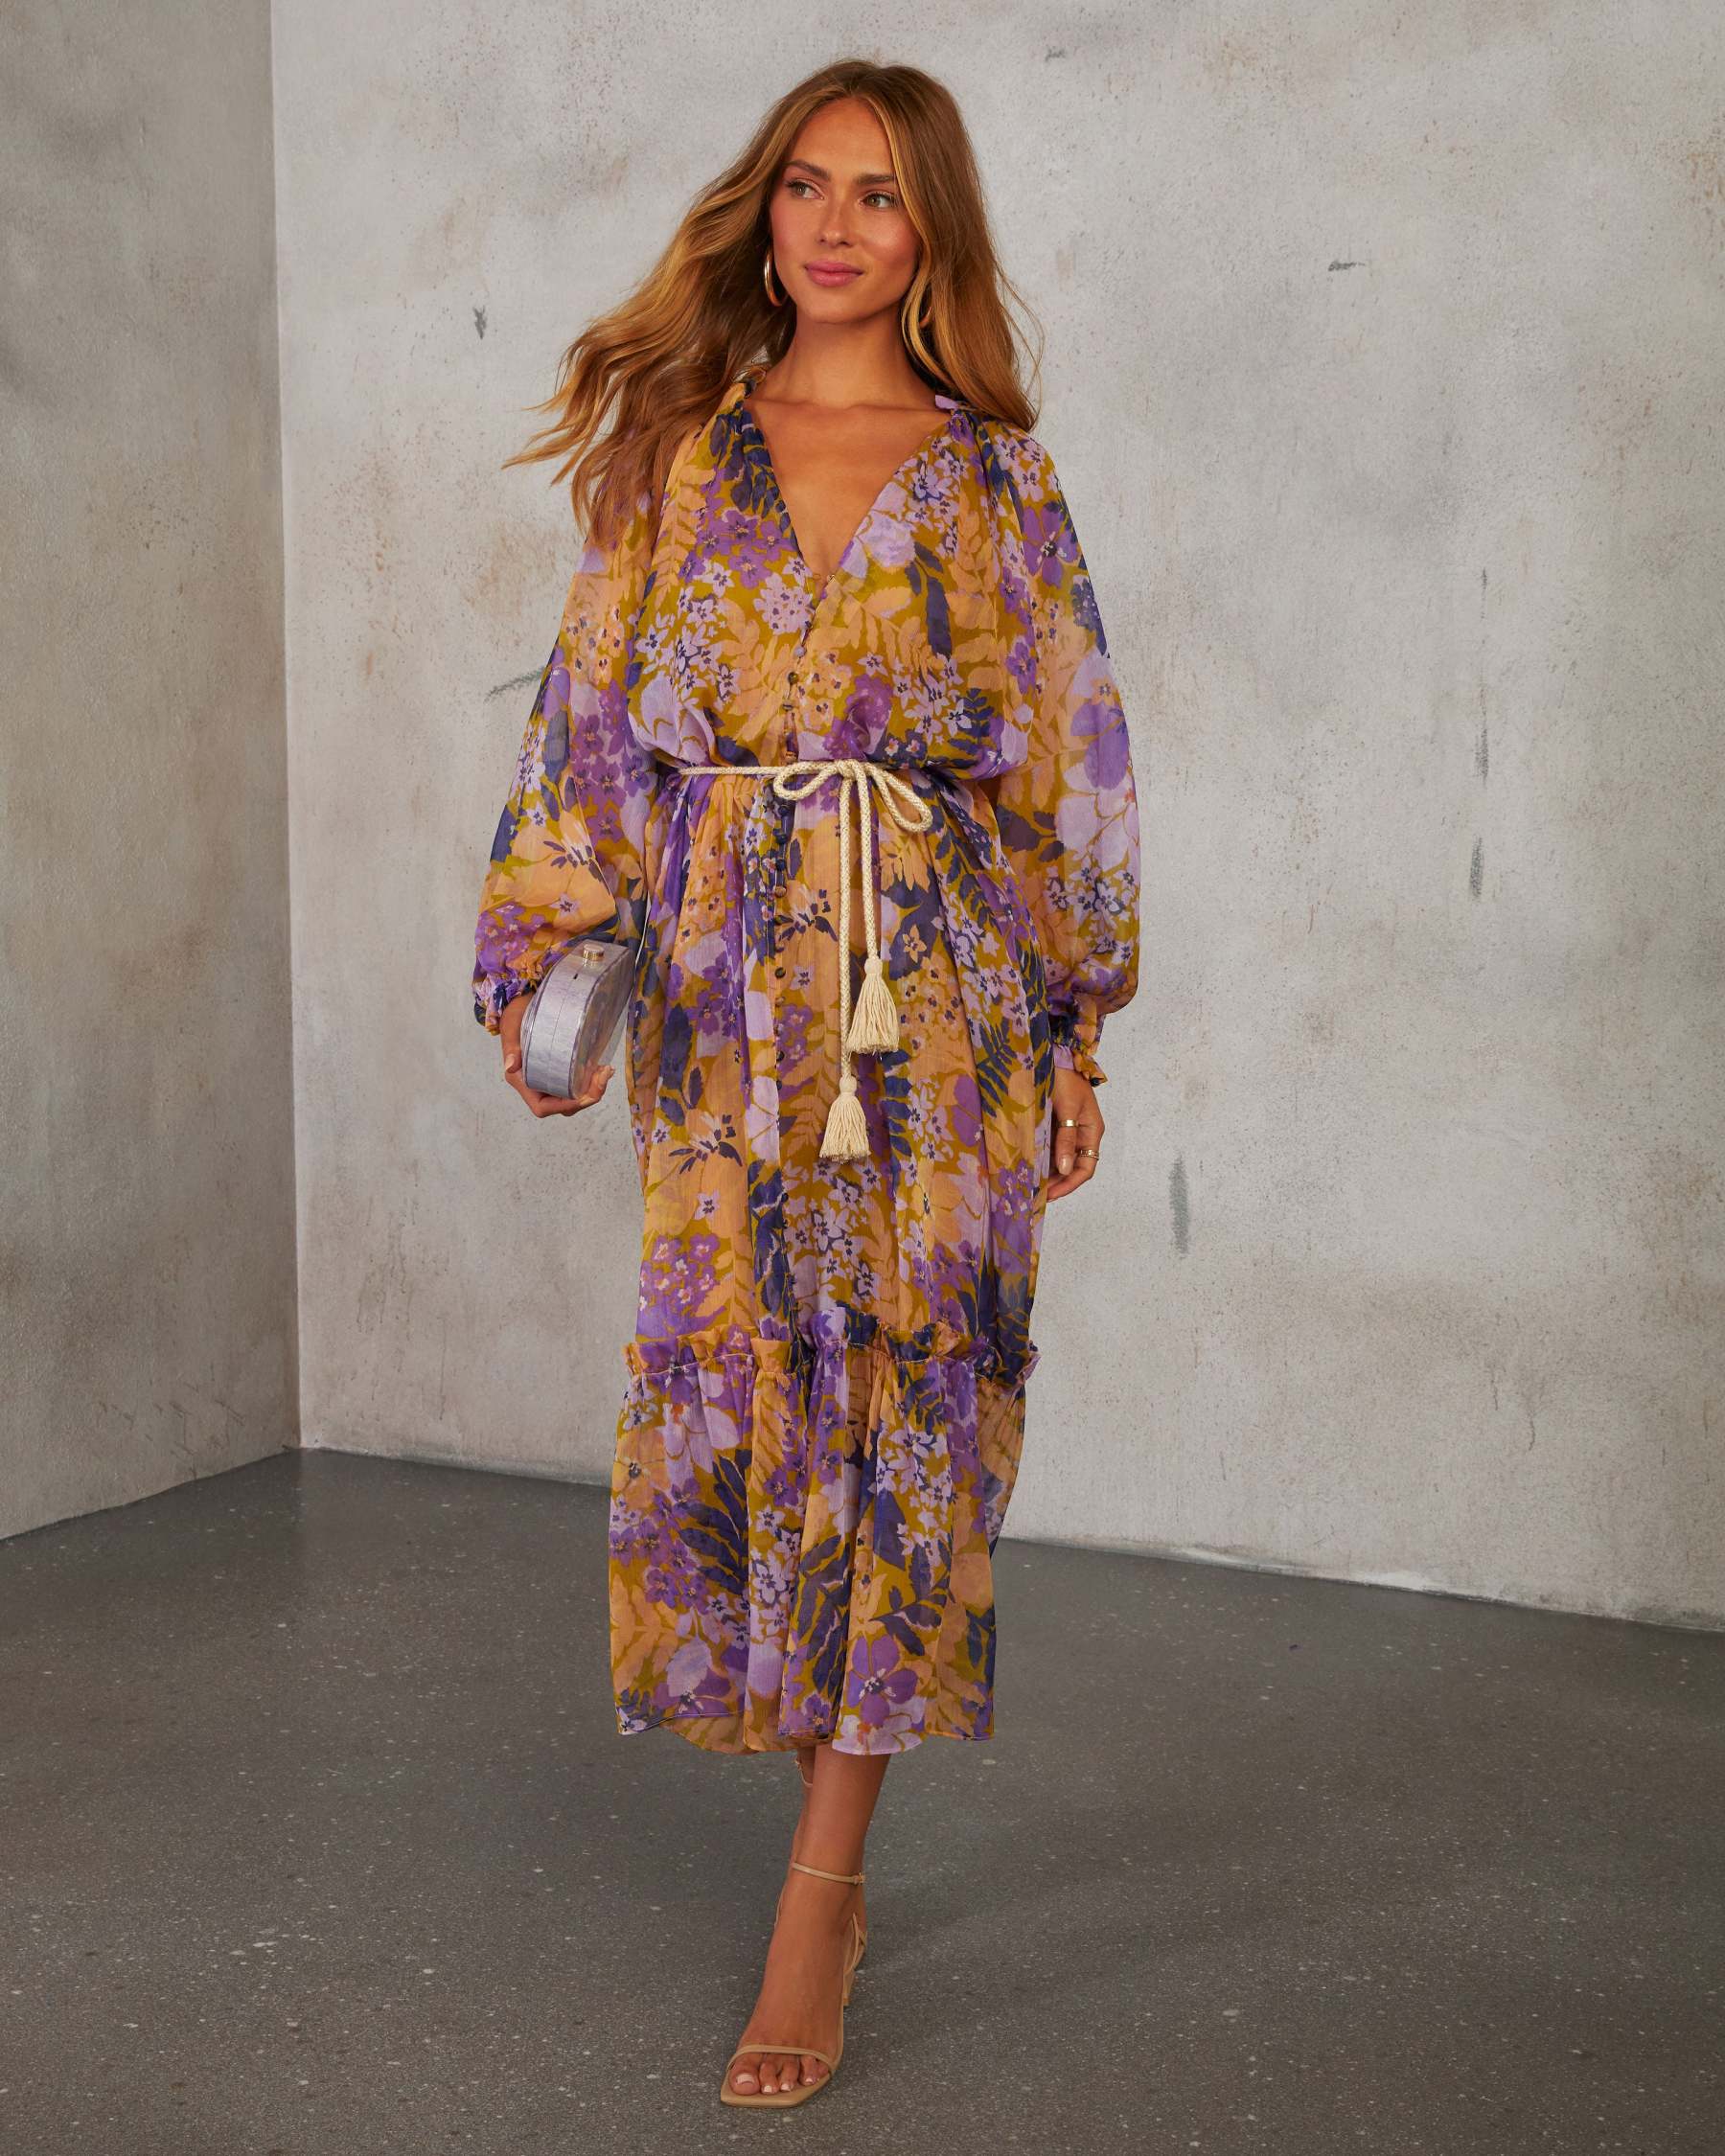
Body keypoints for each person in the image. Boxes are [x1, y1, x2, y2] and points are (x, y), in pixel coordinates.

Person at [470, 57, 1141, 2109]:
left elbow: (1069, 759)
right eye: (806, 186)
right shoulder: (675, 459)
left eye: (880, 193)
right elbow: (593, 723)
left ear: (931, 234)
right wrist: (542, 966)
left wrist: (1072, 1025)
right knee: (755, 1380)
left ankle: (820, 1889)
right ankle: (817, 1825)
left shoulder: (1000, 480)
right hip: (721, 1008)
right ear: (764, 214)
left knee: (910, 1406)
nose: (836, 224)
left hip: (935, 1000)